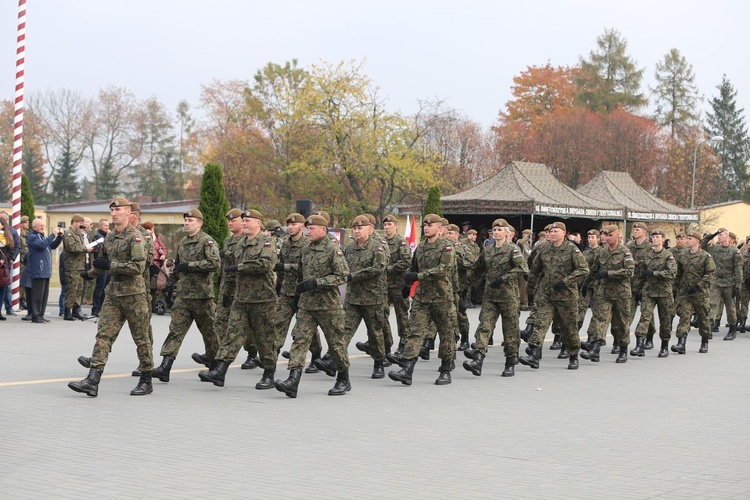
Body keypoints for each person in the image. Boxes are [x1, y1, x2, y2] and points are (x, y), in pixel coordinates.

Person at [68, 196, 153, 397]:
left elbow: (138, 267)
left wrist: (111, 266)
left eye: (118, 210)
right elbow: (102, 262)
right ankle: (93, 379)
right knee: (103, 336)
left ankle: (146, 378)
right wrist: (88, 275)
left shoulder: (136, 237)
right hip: (113, 294)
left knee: (141, 339)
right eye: (112, 211)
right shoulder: (110, 237)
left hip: (134, 296)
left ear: (128, 212)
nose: (114, 214)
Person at [199, 209, 278, 389]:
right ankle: (220, 370)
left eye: (248, 220)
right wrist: (227, 291)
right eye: (243, 220)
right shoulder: (239, 242)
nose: (245, 223)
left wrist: (240, 267)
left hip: (262, 299)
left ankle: (269, 373)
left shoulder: (267, 242)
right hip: (241, 298)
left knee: (265, 338)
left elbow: (265, 264)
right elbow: (229, 268)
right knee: (232, 334)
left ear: (258, 223)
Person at [274, 214, 351, 398]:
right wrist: (297, 293)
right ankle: (293, 380)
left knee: (336, 344)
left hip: (329, 306)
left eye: (313, 229)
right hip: (306, 305)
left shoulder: (333, 249)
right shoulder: (306, 250)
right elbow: (300, 275)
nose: (309, 232)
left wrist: (318, 282)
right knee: (299, 340)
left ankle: (343, 379)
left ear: (323, 230)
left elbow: (343, 275)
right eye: (308, 229)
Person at [387, 214, 457, 386]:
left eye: (430, 225)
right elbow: (413, 267)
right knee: (414, 331)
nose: (426, 228)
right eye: (424, 225)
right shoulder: (421, 247)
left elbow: (443, 270)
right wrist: (407, 284)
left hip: (442, 298)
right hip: (422, 298)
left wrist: (418, 276)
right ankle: (407, 370)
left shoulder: (447, 247)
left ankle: (445, 369)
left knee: (446, 333)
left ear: (439, 229)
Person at [152, 209, 220, 382]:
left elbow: (214, 263)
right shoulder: (183, 242)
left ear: (200, 223)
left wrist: (190, 266)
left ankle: (214, 366)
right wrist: (169, 284)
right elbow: (178, 265)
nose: (187, 223)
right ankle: (165, 366)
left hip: (202, 296)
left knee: (209, 332)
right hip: (183, 295)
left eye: (190, 220)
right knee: (175, 330)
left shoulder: (207, 241)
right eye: (186, 220)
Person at [519, 221, 588, 370]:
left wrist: (566, 282)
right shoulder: (544, 248)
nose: (553, 233)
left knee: (569, 328)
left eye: (556, 231)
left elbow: (583, 270)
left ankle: (573, 355)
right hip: (546, 294)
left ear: (564, 233)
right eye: (551, 231)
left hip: (566, 296)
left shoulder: (572, 249)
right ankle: (534, 355)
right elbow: (535, 269)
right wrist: (531, 290)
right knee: (540, 324)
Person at [463, 219, 528, 377]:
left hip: (508, 297)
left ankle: (510, 362)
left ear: (506, 233)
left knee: (510, 330)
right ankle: (478, 359)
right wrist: (464, 287)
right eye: (494, 230)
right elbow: (477, 269)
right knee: (484, 327)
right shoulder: (487, 250)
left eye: (500, 230)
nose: (497, 233)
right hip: (490, 296)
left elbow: (523, 268)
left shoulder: (512, 249)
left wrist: (504, 277)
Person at [336, 215, 388, 379]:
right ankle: (337, 362)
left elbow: (378, 268)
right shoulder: (349, 248)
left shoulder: (377, 248)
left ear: (369, 229)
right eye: (355, 228)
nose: (357, 231)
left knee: (375, 333)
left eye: (361, 228)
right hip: (353, 299)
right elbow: (341, 267)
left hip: (372, 298)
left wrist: (354, 276)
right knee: (344, 331)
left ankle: (379, 362)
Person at [580, 225, 634, 363]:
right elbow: (593, 271)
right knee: (600, 320)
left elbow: (629, 272)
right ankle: (595, 350)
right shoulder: (602, 253)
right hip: (603, 293)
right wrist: (586, 285)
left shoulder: (625, 252)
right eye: (605, 235)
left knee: (621, 323)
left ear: (617, 235)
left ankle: (623, 350)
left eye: (610, 235)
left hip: (621, 293)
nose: (607, 238)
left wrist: (609, 274)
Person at [631, 229, 677, 357]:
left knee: (665, 320)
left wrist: (654, 274)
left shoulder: (668, 255)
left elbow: (672, 273)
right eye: (654, 237)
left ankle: (664, 346)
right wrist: (638, 287)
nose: (655, 239)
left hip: (664, 292)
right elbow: (640, 271)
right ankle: (639, 345)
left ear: (663, 239)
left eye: (658, 237)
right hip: (649, 291)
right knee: (645, 317)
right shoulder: (648, 255)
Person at [672, 231, 716, 354]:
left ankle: (704, 341)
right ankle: (681, 343)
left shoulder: (705, 256)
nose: (687, 240)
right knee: (684, 316)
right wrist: (675, 289)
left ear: (697, 241)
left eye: (690, 238)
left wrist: (699, 286)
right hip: (685, 292)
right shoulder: (683, 255)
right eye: (687, 238)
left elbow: (710, 274)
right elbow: (679, 273)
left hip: (700, 294)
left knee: (703, 318)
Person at [701, 228, 743, 340]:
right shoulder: (715, 249)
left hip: (729, 282)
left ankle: (732, 330)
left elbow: (738, 269)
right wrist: (708, 238)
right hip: (716, 281)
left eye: (721, 235)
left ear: (727, 237)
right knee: (712, 304)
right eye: (718, 235)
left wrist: (738, 285)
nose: (719, 237)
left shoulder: (734, 251)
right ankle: (709, 327)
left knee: (730, 307)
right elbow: (703, 248)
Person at [380, 214, 412, 353]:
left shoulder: (401, 242)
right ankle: (385, 343)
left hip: (398, 285)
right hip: (384, 285)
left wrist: (389, 269)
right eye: (385, 225)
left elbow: (406, 261)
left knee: (402, 316)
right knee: (380, 313)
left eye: (390, 225)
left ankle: (404, 343)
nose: (387, 228)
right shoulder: (381, 242)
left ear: (396, 226)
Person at [214, 209, 244, 350]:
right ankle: (215, 354)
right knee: (220, 320)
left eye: (234, 220)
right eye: (229, 221)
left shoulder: (247, 240)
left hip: (242, 288)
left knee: (244, 323)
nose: (230, 223)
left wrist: (227, 254)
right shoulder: (228, 240)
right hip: (227, 286)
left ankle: (251, 353)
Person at [22, 219, 62, 323]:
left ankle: (41, 314)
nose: (43, 227)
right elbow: (42, 245)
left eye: (43, 225)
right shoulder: (32, 237)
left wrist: (59, 237)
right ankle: (35, 315)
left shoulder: (42, 236)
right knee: (37, 294)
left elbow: (51, 245)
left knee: (44, 294)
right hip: (38, 269)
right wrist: (52, 234)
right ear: (34, 226)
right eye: (40, 225)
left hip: (45, 270)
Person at [62, 214, 93, 320]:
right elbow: (72, 248)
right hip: (72, 267)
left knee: (79, 290)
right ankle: (67, 311)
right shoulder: (68, 233)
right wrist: (86, 249)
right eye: (80, 223)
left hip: (80, 266)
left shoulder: (78, 233)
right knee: (72, 289)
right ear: (74, 222)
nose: (81, 225)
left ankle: (76, 310)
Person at [0, 211, 20, 316]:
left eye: (3, 219)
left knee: (6, 286)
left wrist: (11, 259)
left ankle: (8, 307)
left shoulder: (12, 232)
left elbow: (16, 246)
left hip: (6, 264)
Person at [90, 219, 110, 317]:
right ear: (100, 226)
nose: (107, 227)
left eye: (108, 226)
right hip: (100, 265)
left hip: (107, 264)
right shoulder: (97, 236)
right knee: (100, 287)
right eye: (105, 226)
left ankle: (102, 307)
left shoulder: (106, 236)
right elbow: (104, 247)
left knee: (106, 288)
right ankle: (95, 308)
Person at [18, 215, 29, 311]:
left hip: (27, 261)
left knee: (26, 281)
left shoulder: (28, 234)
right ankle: (19, 299)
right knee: (20, 281)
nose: (27, 224)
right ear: (21, 224)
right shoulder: (19, 235)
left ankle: (24, 299)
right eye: (25, 222)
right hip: (20, 261)